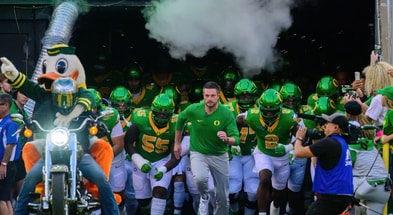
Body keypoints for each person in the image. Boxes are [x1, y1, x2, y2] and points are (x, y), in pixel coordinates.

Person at [14, 78, 119, 215]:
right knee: (30, 178)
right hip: (50, 154)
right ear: (54, 96)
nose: (64, 101)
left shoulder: (82, 110)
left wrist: (98, 124)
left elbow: (93, 119)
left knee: (102, 179)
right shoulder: (47, 109)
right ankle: (19, 213)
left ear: (74, 96)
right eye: (60, 97)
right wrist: (27, 125)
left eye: (68, 97)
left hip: (80, 154)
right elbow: (34, 120)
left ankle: (113, 213)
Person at [174, 81, 240, 215]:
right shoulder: (194, 109)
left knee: (222, 196)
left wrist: (227, 139)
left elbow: (236, 138)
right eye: (206, 96)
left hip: (219, 154)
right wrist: (177, 143)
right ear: (203, 96)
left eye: (212, 96)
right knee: (200, 178)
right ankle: (204, 197)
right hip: (199, 153)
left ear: (218, 96)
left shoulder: (226, 114)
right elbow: (180, 119)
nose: (209, 99)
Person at [239, 88, 298, 215]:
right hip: (263, 152)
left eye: (272, 111)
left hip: (281, 156)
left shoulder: (289, 117)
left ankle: (275, 209)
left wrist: (288, 148)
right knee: (264, 178)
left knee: (279, 193)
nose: (269, 114)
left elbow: (301, 137)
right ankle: (262, 213)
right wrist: (234, 139)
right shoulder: (252, 115)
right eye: (265, 110)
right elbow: (236, 121)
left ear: (280, 108)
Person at [124, 93, 180, 215]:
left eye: (165, 114)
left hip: (162, 159)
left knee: (160, 191)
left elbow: (176, 154)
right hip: (141, 157)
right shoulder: (141, 118)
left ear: (171, 113)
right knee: (143, 200)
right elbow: (128, 142)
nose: (162, 116)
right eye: (159, 113)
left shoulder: (177, 123)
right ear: (152, 111)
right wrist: (139, 160)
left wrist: (164, 169)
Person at [294, 112, 353, 215]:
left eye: (327, 123)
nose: (324, 126)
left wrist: (299, 138)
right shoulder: (341, 142)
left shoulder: (329, 143)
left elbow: (298, 152)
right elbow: (317, 165)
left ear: (336, 127)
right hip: (342, 194)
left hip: (332, 195)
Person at [344, 100, 390, 215]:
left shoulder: (348, 129)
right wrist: (381, 138)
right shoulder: (369, 126)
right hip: (384, 186)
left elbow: (346, 166)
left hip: (364, 184)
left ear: (346, 113)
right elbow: (380, 132)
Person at [223, 79, 259, 215]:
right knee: (232, 188)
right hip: (234, 153)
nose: (245, 99)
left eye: (248, 96)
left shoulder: (262, 108)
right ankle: (235, 210)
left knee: (253, 190)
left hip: (254, 153)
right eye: (243, 96)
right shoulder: (226, 109)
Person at [0, 94, 21, 215]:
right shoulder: (3, 122)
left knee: (1, 199)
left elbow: (10, 144)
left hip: (6, 165)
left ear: (6, 106)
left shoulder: (11, 123)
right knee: (6, 198)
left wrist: (4, 164)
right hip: (5, 164)